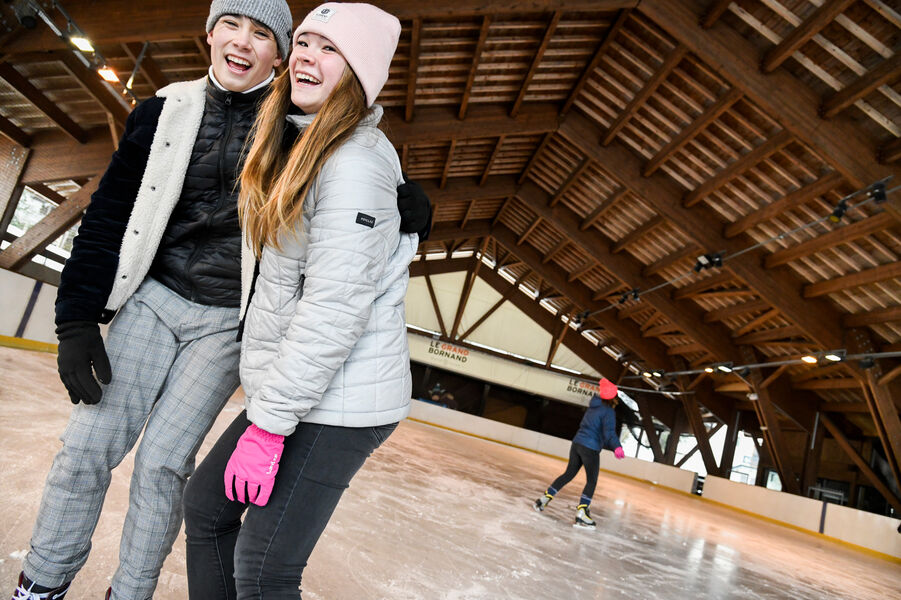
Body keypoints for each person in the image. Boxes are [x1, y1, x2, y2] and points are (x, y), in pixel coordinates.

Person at [10, 1, 430, 598]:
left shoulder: (297, 123)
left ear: (278, 57)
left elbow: (349, 192)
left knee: (162, 467)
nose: (242, 42)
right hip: (153, 298)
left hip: (227, 321)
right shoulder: (163, 111)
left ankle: (129, 592)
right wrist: (76, 316)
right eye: (230, 24)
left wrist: (409, 206)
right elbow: (108, 214)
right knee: (84, 448)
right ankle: (43, 582)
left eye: (262, 34)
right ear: (208, 33)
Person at [181, 3, 413, 597]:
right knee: (209, 511)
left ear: (358, 74)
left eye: (330, 48)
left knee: (263, 567)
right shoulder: (300, 144)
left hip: (341, 399)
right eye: (304, 42)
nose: (307, 55)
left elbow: (332, 313)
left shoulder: (353, 162)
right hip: (302, 386)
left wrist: (268, 427)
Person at [533, 377, 626, 529]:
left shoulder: (593, 406)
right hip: (590, 448)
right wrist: (617, 446)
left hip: (577, 444)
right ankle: (582, 513)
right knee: (591, 481)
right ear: (612, 398)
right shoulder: (608, 411)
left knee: (568, 473)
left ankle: (543, 499)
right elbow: (609, 432)